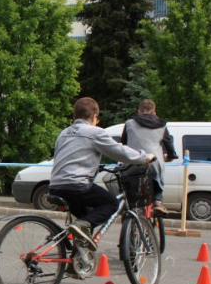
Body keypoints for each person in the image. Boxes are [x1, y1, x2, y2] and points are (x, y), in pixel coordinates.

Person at [49, 97, 155, 251]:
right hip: (77, 186)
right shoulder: (95, 132)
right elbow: (119, 151)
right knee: (111, 203)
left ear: (75, 116)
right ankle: (80, 229)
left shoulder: (63, 133)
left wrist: (94, 166)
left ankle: (79, 257)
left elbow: (70, 157)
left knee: (89, 216)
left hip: (55, 186)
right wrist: (144, 157)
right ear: (94, 117)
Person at [121, 99, 177, 217]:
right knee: (158, 174)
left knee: (131, 188)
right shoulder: (162, 126)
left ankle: (130, 211)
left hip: (132, 163)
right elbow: (168, 143)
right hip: (152, 164)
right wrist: (170, 156)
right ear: (154, 112)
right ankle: (157, 201)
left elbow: (123, 143)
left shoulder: (129, 123)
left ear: (139, 111)